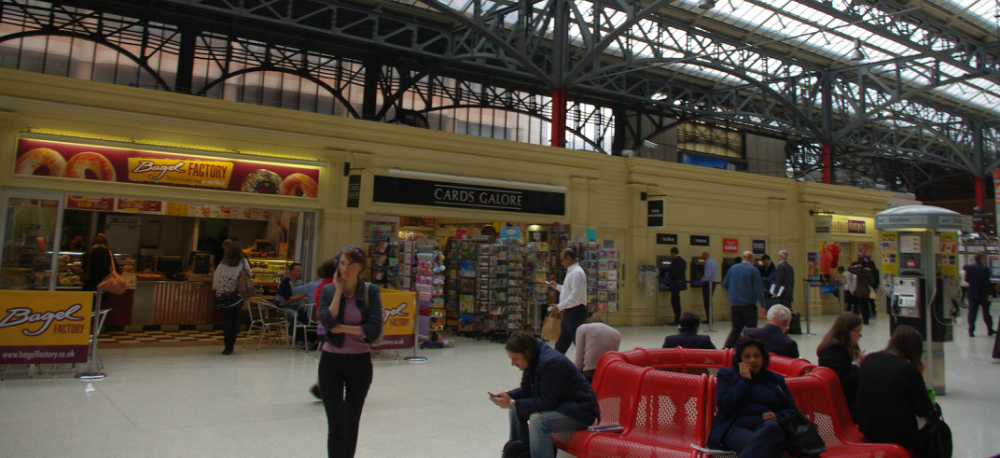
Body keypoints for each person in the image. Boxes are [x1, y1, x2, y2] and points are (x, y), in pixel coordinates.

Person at [316, 246, 384, 458]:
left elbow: (375, 329)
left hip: (359, 363)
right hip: (331, 362)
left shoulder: (370, 292)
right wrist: (337, 292)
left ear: (361, 267)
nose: (345, 268)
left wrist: (344, 328)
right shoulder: (328, 291)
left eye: (350, 264)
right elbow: (327, 322)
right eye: (342, 263)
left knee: (351, 423)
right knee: (336, 424)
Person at [489, 331, 599, 458]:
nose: (512, 363)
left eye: (515, 358)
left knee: (539, 421)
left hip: (580, 411)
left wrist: (514, 403)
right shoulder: (532, 358)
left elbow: (547, 402)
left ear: (526, 353)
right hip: (562, 405)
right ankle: (519, 451)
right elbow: (526, 390)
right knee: (514, 408)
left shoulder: (551, 363)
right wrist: (508, 396)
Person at [707, 336, 799, 458]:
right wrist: (744, 381)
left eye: (756, 356)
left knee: (771, 429)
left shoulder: (775, 380)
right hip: (737, 428)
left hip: (769, 428)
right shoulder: (727, 376)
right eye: (747, 356)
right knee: (764, 447)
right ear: (740, 359)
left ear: (763, 358)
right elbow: (724, 406)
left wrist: (777, 416)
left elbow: (792, 411)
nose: (752, 360)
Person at [855, 325, 935, 456]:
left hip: (867, 428)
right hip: (898, 435)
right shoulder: (908, 370)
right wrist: (919, 375)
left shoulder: (869, 359)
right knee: (932, 428)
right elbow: (923, 408)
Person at [816, 312, 865, 419]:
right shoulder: (835, 348)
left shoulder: (835, 345)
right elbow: (845, 379)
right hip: (842, 402)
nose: (860, 335)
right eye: (858, 331)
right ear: (847, 331)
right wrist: (858, 365)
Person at [212, 240, 252, 355]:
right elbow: (250, 275)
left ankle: (227, 346)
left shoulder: (223, 262)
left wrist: (217, 289)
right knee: (235, 320)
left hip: (224, 295)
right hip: (237, 295)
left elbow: (216, 276)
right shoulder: (243, 262)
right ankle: (232, 342)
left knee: (227, 321)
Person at [545, 248, 588, 354]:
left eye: (562, 260)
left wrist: (559, 307)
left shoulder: (577, 272)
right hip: (569, 313)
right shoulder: (572, 272)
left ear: (569, 258)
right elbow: (568, 290)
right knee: (561, 345)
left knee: (579, 344)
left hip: (575, 313)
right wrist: (557, 287)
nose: (561, 263)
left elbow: (575, 296)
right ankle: (556, 363)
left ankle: (585, 367)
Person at [721, 251, 765, 348]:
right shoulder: (753, 271)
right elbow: (758, 289)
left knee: (736, 329)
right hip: (749, 305)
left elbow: (724, 284)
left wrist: (734, 292)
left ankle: (726, 350)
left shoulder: (732, 268)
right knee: (751, 330)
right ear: (752, 259)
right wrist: (763, 305)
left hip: (734, 304)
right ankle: (750, 349)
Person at [309, 257, 338, 400]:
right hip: (331, 327)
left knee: (330, 358)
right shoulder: (332, 287)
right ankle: (322, 385)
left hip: (321, 326)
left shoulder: (320, 286)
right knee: (333, 359)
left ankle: (322, 384)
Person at [573, 316, 621, 382]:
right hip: (608, 373)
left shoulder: (583, 328)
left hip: (589, 374)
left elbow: (578, 364)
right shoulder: (616, 333)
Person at [963, 253, 996, 337]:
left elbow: (966, 279)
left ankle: (971, 331)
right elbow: (987, 282)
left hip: (973, 293)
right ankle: (989, 329)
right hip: (983, 293)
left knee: (972, 313)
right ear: (981, 259)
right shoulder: (985, 269)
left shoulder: (969, 268)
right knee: (986, 313)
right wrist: (991, 293)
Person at [275, 262, 309, 341]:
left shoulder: (300, 282)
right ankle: (291, 334)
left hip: (296, 306)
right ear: (292, 272)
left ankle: (302, 337)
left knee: (305, 315)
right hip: (284, 307)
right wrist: (303, 295)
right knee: (295, 315)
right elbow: (289, 300)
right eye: (298, 271)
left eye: (300, 270)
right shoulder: (285, 282)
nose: (300, 273)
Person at [849, 260, 876, 325]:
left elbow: (849, 269)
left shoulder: (859, 271)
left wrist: (855, 266)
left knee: (862, 305)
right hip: (866, 290)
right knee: (866, 305)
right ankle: (866, 319)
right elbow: (872, 282)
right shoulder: (869, 272)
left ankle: (864, 318)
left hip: (860, 290)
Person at [666, 247, 688, 325]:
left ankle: (677, 319)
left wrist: (668, 275)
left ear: (673, 252)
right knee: (677, 300)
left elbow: (673, 273)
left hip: (675, 284)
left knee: (675, 301)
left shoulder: (675, 261)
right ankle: (678, 318)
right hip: (680, 283)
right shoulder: (683, 261)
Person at [700, 251, 719, 323]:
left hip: (708, 284)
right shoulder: (715, 262)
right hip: (713, 283)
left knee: (707, 301)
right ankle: (710, 318)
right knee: (709, 301)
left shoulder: (708, 263)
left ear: (705, 256)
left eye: (702, 257)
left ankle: (709, 319)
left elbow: (707, 275)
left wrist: (700, 282)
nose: (702, 259)